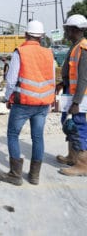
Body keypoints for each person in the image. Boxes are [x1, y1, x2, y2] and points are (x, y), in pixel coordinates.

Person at [0, 20, 55, 186]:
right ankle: (35, 176)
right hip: (43, 103)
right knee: (37, 137)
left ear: (25, 35)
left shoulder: (20, 52)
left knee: (13, 134)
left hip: (23, 103)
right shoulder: (49, 53)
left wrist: (9, 98)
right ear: (42, 36)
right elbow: (51, 78)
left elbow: (11, 80)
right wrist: (49, 101)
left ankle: (16, 175)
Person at [55, 14, 87, 176]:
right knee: (68, 124)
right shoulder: (75, 45)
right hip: (71, 93)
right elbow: (71, 72)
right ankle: (72, 157)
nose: (65, 32)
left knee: (78, 127)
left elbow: (83, 78)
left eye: (66, 29)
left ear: (74, 29)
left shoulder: (83, 48)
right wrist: (62, 83)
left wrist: (76, 102)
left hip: (80, 97)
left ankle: (83, 164)